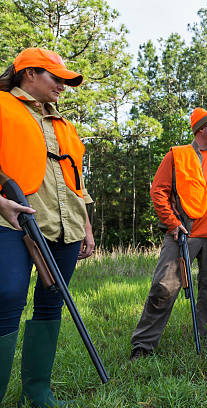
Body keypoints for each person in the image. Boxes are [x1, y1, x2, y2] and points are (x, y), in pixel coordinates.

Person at [0, 48, 95, 407]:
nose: (63, 86)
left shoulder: (62, 123)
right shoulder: (2, 106)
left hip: (65, 226)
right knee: (7, 298)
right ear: (29, 75)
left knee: (51, 301)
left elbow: (77, 180)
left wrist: (85, 225)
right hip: (11, 222)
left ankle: (38, 392)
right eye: (56, 78)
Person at [130, 108, 207, 359]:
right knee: (164, 287)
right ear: (201, 129)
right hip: (183, 234)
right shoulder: (177, 155)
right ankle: (143, 346)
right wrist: (171, 223)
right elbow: (158, 191)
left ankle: (205, 338)